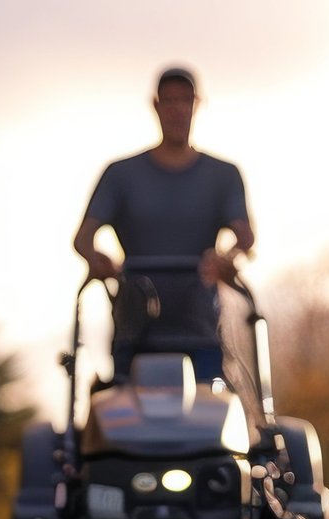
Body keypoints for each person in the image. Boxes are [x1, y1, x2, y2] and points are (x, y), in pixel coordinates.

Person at [72, 65, 255, 383]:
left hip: (201, 331)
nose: (177, 110)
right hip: (135, 332)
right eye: (169, 101)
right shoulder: (120, 174)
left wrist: (227, 259)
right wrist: (97, 260)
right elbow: (83, 238)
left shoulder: (223, 175)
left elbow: (245, 240)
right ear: (156, 106)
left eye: (185, 101)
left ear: (197, 104)